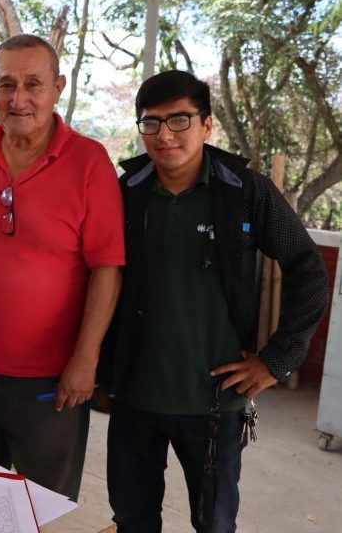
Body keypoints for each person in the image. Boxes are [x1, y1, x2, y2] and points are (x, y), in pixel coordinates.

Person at [99, 69, 329, 533]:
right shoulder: (124, 193)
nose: (165, 135)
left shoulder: (245, 192)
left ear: (207, 126)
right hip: (134, 397)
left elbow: (309, 268)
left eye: (180, 120)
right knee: (131, 519)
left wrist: (276, 361)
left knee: (215, 523)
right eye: (151, 123)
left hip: (214, 403)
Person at [0, 34, 125, 499]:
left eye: (33, 83)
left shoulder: (89, 162)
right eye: (5, 84)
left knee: (40, 511)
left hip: (50, 383)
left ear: (59, 88)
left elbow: (108, 269)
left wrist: (85, 361)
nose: (19, 98)